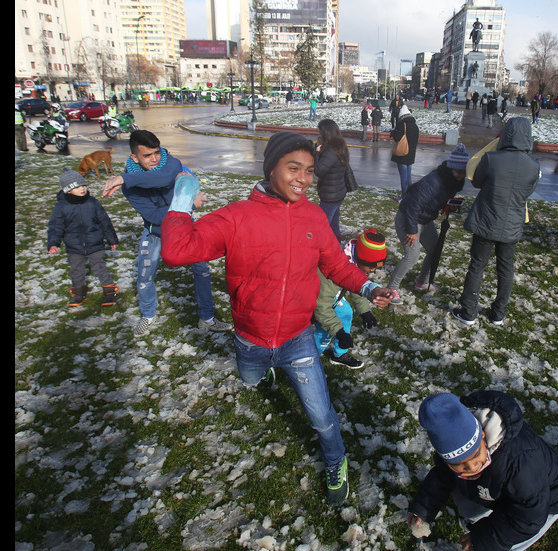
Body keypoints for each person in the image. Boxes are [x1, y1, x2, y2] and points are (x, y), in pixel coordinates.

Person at [159, 131, 395, 506]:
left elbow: (336, 264)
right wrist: (182, 199)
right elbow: (175, 251)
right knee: (252, 380)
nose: (303, 179)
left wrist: (368, 289)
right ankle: (263, 370)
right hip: (250, 338)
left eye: (309, 171)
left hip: (297, 338)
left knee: (321, 415)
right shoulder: (237, 217)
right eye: (293, 168)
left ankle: (336, 461)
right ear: (271, 168)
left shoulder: (315, 217)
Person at [101, 130, 231, 337]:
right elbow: (154, 215)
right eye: (147, 155)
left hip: (186, 228)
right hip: (155, 231)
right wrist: (188, 204)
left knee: (202, 271)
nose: (154, 159)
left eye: (157, 152)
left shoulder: (169, 162)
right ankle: (148, 314)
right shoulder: (130, 187)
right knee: (145, 275)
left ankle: (207, 317)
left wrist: (125, 178)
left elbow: (163, 178)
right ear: (134, 157)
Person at [407, 390, 558, 551]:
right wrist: (423, 508)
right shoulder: (453, 447)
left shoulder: (520, 460)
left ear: (484, 436)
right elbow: (442, 475)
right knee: (460, 485)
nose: (472, 466)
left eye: (477, 454)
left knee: (501, 542)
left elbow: (530, 515)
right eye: (460, 464)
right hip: (500, 488)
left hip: (546, 501)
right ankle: (481, 519)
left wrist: (485, 538)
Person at [452, 117, 539, 326]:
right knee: (506, 268)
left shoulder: (492, 158)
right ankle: (498, 313)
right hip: (512, 225)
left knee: (477, 265)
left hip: (487, 221)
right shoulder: (534, 166)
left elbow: (478, 181)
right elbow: (528, 191)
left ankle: (469, 311)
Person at [387, 144, 470, 303]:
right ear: (451, 168)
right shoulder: (435, 181)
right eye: (458, 171)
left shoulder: (452, 181)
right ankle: (391, 288)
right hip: (408, 218)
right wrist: (411, 231)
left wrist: (448, 204)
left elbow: (436, 200)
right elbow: (413, 206)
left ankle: (422, 282)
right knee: (412, 256)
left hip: (425, 219)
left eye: (463, 171)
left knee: (435, 250)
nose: (461, 175)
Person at [312, 229, 388, 369]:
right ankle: (310, 356)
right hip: (316, 298)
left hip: (329, 297)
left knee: (346, 312)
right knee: (325, 328)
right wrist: (339, 332)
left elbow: (354, 283)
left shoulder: (353, 258)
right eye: (371, 267)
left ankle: (339, 354)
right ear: (361, 259)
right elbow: (321, 307)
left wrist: (364, 311)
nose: (372, 271)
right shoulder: (331, 271)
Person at [47, 167, 120, 307]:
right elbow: (56, 226)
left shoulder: (92, 202)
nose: (82, 189)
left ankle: (110, 292)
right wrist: (53, 243)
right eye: (77, 187)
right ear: (68, 190)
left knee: (100, 267)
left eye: (83, 185)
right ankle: (79, 293)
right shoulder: (61, 207)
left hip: (95, 243)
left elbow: (104, 221)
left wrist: (112, 239)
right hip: (74, 246)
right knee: (77, 269)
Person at [315, 119, 351, 241]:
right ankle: (336, 245)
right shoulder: (340, 145)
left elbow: (319, 170)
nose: (319, 135)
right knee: (333, 225)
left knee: (321, 227)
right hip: (337, 192)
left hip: (330, 195)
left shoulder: (331, 150)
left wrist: (317, 153)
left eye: (320, 133)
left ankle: (324, 251)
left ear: (326, 133)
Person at [391, 105, 420, 197]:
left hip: (402, 154)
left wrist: (393, 132)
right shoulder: (415, 126)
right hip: (411, 154)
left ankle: (404, 196)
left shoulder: (402, 125)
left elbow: (397, 138)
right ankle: (410, 194)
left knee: (403, 178)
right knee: (408, 177)